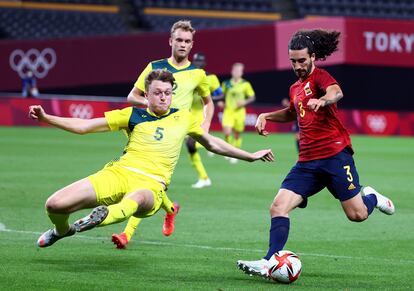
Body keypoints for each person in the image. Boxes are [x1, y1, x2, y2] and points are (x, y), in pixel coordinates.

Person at [30, 69, 274, 248]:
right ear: (146, 95)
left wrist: (250, 156)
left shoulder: (184, 117)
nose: (163, 97)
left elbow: (213, 143)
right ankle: (62, 230)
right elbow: (84, 126)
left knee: (136, 200)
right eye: (157, 93)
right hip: (118, 173)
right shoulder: (131, 115)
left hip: (152, 185)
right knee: (54, 204)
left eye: (168, 93)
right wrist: (46, 118)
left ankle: (100, 217)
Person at [236, 29, 395, 279]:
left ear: (312, 57)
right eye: (293, 61)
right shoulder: (295, 88)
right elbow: (292, 112)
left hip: (335, 156)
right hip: (307, 162)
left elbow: (336, 92)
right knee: (278, 207)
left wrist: (325, 101)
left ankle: (372, 197)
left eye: (302, 60)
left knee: (358, 215)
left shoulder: (321, 77)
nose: (298, 65)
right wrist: (265, 115)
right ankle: (269, 262)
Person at [112, 20, 215, 249]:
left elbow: (209, 103)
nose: (183, 44)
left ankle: (126, 234)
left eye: (187, 41)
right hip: (145, 128)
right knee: (147, 184)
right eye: (179, 39)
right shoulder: (154, 67)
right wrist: (153, 105)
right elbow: (132, 96)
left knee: (147, 184)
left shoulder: (198, 74)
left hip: (172, 135)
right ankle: (170, 208)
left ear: (192, 45)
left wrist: (205, 125)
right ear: (170, 41)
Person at [188, 52, 223, 188]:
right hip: (188, 114)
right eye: (196, 60)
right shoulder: (188, 75)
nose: (198, 63)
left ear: (204, 63)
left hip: (202, 114)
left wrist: (207, 98)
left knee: (190, 144)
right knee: (190, 148)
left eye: (200, 61)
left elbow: (220, 95)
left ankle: (209, 143)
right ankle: (203, 177)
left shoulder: (211, 78)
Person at [218, 63, 255, 164]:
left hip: (240, 112)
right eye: (235, 70)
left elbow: (252, 97)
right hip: (228, 111)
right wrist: (221, 102)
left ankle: (236, 153)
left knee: (237, 134)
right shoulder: (226, 84)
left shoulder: (245, 84)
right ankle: (230, 151)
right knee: (227, 132)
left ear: (241, 73)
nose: (237, 73)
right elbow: (221, 95)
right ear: (232, 71)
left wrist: (245, 102)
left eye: (239, 71)